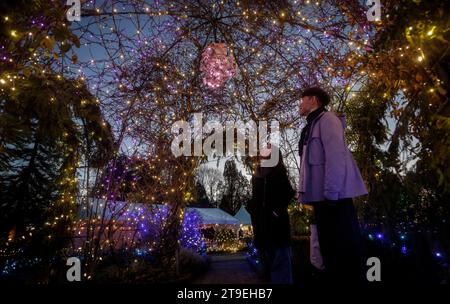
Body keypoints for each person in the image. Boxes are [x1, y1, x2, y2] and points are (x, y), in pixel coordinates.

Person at [298, 87, 368, 283]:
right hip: (323, 200)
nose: (300, 104)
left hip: (334, 200)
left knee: (342, 255)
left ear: (313, 99)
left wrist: (331, 193)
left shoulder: (328, 120)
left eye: (302, 100)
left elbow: (336, 157)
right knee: (330, 255)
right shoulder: (312, 125)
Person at [247, 145, 295, 284]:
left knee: (281, 267)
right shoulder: (257, 176)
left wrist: (277, 211)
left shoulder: (278, 173)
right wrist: (253, 209)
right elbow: (256, 199)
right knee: (268, 268)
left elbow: (289, 194)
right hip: (262, 230)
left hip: (278, 229)